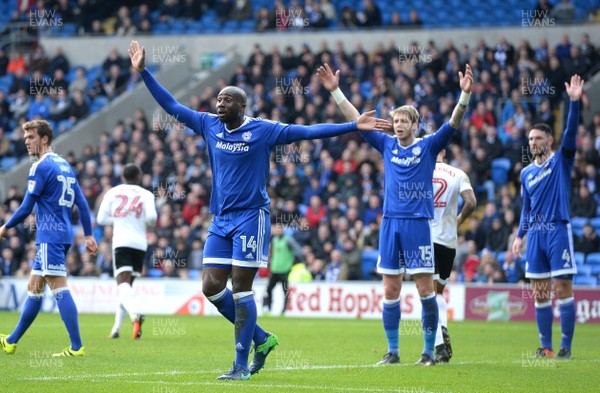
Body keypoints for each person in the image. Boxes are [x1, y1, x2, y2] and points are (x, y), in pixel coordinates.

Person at [128, 40, 388, 380]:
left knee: (241, 289)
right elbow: (172, 105)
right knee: (209, 286)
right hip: (221, 219)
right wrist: (144, 72)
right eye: (218, 99)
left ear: (242, 105)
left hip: (252, 217)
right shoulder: (208, 124)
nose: (219, 103)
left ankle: (239, 366)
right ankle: (262, 339)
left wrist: (352, 126)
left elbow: (307, 132)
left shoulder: (262, 130)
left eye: (226, 100)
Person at [317, 62, 473, 366]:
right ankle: (393, 351)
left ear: (414, 125)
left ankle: (429, 351)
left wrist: (464, 96)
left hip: (417, 225)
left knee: (426, 290)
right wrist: (336, 91)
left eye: (404, 121)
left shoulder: (428, 147)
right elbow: (357, 120)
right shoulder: (385, 144)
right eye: (396, 120)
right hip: (390, 224)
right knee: (390, 289)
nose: (398, 124)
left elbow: (453, 124)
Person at [0, 120, 98, 357]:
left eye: (31, 137)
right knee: (34, 286)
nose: (26, 142)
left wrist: (5, 226)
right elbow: (82, 203)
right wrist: (88, 235)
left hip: (50, 236)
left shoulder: (40, 167)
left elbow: (25, 208)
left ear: (44, 139)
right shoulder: (64, 165)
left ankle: (77, 346)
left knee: (58, 287)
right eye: (25, 138)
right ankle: (12, 340)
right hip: (61, 234)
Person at [512, 74, 583, 360]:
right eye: (530, 139)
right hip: (536, 236)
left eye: (538, 138)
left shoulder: (561, 161)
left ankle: (565, 346)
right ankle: (546, 346)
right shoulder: (525, 173)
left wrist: (574, 103)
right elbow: (526, 209)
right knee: (540, 294)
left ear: (549, 140)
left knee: (563, 288)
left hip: (557, 230)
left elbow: (571, 133)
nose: (533, 142)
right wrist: (519, 236)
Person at [96, 163, 157, 339]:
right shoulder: (145, 194)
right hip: (140, 243)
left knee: (122, 285)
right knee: (126, 287)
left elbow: (100, 219)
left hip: (122, 241)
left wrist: (119, 218)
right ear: (139, 177)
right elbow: (152, 218)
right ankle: (116, 329)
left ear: (123, 177)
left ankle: (135, 315)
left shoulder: (113, 192)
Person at [430, 149, 477, 363]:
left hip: (426, 237)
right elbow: (472, 202)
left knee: (427, 293)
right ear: (444, 151)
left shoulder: (421, 170)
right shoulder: (458, 173)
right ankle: (443, 328)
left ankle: (439, 346)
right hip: (449, 240)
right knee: (438, 291)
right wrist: (458, 220)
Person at [263, 223, 302, 316]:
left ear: (283, 230)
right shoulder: (274, 240)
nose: (278, 231)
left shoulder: (288, 240)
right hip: (275, 269)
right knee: (269, 289)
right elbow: (271, 253)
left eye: (280, 229)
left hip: (285, 270)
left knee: (285, 291)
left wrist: (292, 263)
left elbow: (299, 251)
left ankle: (284, 310)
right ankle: (268, 308)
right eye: (277, 229)